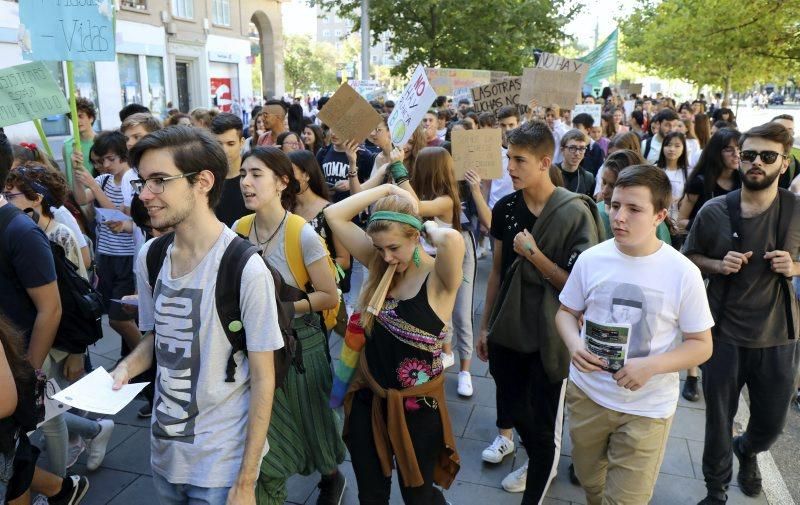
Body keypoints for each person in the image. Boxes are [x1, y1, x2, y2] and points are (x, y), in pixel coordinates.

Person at [112, 125, 282, 503]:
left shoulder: (245, 268)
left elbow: (263, 379)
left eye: (159, 181)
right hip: (165, 455)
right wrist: (124, 368)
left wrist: (245, 482)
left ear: (202, 181)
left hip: (221, 468)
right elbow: (157, 337)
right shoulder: (151, 256)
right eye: (143, 182)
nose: (145, 195)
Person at [556, 164, 713, 505]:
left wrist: (652, 366)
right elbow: (566, 313)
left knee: (626, 500)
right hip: (588, 395)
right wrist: (573, 344)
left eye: (633, 209)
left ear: (659, 215)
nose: (619, 217)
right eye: (614, 205)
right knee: (589, 480)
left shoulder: (683, 273)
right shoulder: (591, 259)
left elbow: (701, 345)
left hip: (647, 409)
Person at [476, 120, 602, 501]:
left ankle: (536, 485)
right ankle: (536, 453)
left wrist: (535, 256)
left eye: (519, 160)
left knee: (544, 423)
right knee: (515, 406)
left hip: (550, 334)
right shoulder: (505, 207)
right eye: (508, 158)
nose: (510, 168)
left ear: (545, 161)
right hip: (508, 329)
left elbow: (579, 289)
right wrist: (484, 327)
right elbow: (497, 272)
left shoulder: (574, 212)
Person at [324, 183, 465, 504]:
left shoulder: (439, 279)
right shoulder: (379, 262)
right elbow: (334, 215)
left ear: (415, 238)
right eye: (379, 247)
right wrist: (386, 188)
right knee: (372, 495)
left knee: (418, 496)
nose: (386, 257)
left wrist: (424, 223)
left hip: (418, 408)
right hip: (368, 399)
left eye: (393, 247)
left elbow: (454, 239)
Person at [684, 122, 800, 505]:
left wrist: (795, 267)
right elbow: (690, 260)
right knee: (717, 419)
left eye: (768, 156)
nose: (755, 163)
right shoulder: (715, 211)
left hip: (778, 335)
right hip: (723, 335)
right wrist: (718, 265)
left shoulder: (797, 211)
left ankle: (748, 449)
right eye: (748, 154)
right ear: (736, 158)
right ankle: (715, 489)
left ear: (784, 164)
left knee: (771, 425)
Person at [231, 147, 347, 505]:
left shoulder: (303, 235)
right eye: (244, 174)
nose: (246, 183)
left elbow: (330, 296)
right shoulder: (239, 229)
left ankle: (331, 477)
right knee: (267, 435)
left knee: (314, 423)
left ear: (283, 182)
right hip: (258, 347)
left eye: (256, 174)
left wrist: (280, 307)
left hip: (302, 348)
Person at [409, 147, 476, 396]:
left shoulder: (447, 198)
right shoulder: (421, 193)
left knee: (461, 313)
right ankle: (447, 353)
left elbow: (417, 207)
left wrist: (395, 170)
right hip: (432, 257)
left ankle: (466, 371)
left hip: (460, 255)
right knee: (439, 310)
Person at [72, 131, 141, 356]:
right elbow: (81, 199)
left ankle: (146, 356)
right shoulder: (103, 179)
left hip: (127, 256)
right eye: (101, 161)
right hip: (106, 255)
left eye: (111, 159)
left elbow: (118, 216)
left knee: (119, 318)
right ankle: (136, 358)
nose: (106, 164)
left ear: (124, 155)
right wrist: (77, 174)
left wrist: (94, 184)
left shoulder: (132, 180)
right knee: (115, 313)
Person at [597, 150, 672, 245]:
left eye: (613, 185)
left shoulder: (653, 224)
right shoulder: (594, 211)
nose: (604, 191)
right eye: (604, 182)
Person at [678, 128, 742, 233]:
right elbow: (680, 222)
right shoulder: (699, 182)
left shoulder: (743, 181)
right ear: (716, 152)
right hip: (704, 244)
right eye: (728, 149)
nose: (736, 154)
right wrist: (709, 223)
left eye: (739, 148)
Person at [209, 113, 250, 228]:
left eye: (230, 144)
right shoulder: (206, 179)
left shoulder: (253, 178)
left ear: (242, 142)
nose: (224, 150)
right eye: (218, 144)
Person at [316, 129, 377, 202]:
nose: (334, 134)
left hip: (353, 207)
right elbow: (316, 181)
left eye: (339, 130)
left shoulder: (363, 155)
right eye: (332, 128)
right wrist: (331, 187)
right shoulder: (323, 152)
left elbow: (373, 184)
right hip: (329, 206)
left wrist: (353, 183)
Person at [656, 131, 690, 223]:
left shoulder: (689, 172)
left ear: (683, 149)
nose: (672, 149)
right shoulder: (655, 170)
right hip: (657, 220)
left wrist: (683, 199)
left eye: (677, 146)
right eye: (668, 145)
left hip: (679, 222)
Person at [62, 97, 97, 177]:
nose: (77, 121)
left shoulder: (100, 143)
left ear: (91, 118)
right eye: (73, 117)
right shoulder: (67, 145)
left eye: (81, 116)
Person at [557, 130, 596, 198]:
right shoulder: (551, 173)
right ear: (562, 150)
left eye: (581, 148)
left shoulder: (588, 178)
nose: (577, 153)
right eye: (572, 148)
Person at [772, 114, 798, 190]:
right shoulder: (749, 157)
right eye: (780, 130)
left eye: (790, 131)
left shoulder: (793, 164)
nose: (786, 136)